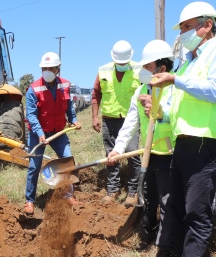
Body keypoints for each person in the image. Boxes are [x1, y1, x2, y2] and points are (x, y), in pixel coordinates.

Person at [149, 2, 216, 256]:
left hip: (205, 145)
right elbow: (182, 106)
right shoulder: (188, 62)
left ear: (207, 25)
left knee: (197, 215)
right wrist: (160, 112)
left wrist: (176, 80)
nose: (182, 34)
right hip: (184, 145)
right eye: (181, 29)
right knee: (177, 208)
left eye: (188, 27)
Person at [107, 40, 176, 253]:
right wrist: (118, 149)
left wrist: (160, 112)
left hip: (168, 154)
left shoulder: (175, 90)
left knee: (167, 201)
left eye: (148, 66)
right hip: (148, 154)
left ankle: (163, 246)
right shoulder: (140, 92)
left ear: (162, 68)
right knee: (147, 197)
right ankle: (147, 236)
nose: (143, 71)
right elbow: (130, 123)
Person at [24, 52, 82, 215]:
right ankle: (29, 201)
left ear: (58, 69)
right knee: (34, 167)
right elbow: (31, 115)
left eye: (51, 68)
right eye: (45, 68)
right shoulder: (33, 89)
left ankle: (68, 195)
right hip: (38, 134)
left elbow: (69, 107)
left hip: (58, 132)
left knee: (68, 162)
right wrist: (40, 133)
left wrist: (73, 120)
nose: (47, 70)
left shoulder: (65, 85)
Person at [91, 40, 141, 207]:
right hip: (109, 120)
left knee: (133, 153)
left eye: (124, 63)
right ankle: (113, 189)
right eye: (118, 62)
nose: (121, 65)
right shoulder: (103, 70)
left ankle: (133, 190)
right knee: (111, 157)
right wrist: (95, 117)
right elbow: (96, 94)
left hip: (131, 119)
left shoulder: (140, 70)